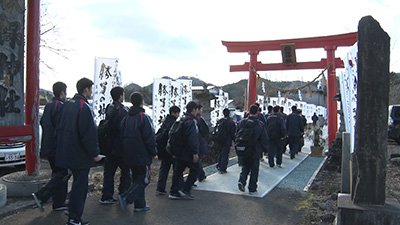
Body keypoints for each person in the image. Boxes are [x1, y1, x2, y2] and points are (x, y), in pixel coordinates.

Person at [56, 78, 103, 225]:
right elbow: (88, 134)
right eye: (91, 89)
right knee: (80, 187)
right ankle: (74, 219)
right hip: (79, 154)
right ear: (86, 90)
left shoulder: (67, 105)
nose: (92, 92)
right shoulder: (84, 107)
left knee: (72, 182)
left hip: (65, 151)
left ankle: (71, 210)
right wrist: (95, 154)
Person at [32, 82, 69, 212]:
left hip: (47, 146)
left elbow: (43, 123)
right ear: (62, 93)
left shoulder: (48, 106)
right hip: (57, 147)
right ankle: (42, 195)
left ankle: (59, 202)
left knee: (57, 173)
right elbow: (62, 128)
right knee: (63, 173)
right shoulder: (61, 107)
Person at [118, 92, 157, 212]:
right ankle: (126, 197)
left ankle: (139, 205)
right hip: (142, 154)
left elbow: (121, 136)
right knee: (144, 179)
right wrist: (154, 152)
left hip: (129, 154)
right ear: (142, 102)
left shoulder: (126, 118)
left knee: (136, 178)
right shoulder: (143, 117)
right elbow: (149, 137)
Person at [100, 86, 131, 204]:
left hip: (109, 145)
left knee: (109, 172)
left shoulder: (110, 107)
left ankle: (106, 196)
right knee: (126, 171)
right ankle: (123, 193)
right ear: (120, 96)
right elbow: (124, 129)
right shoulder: (122, 111)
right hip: (120, 146)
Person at [168, 101, 200, 200]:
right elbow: (192, 138)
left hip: (178, 150)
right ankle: (185, 189)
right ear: (194, 110)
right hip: (188, 151)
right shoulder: (191, 121)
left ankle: (174, 191)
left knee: (178, 172)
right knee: (196, 170)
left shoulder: (181, 119)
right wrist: (195, 152)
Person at [237, 104, 268, 194]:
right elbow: (264, 138)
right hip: (255, 149)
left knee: (245, 167)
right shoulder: (259, 124)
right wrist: (265, 149)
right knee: (254, 169)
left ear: (249, 111)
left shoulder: (242, 122)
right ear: (257, 112)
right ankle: (252, 188)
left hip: (244, 148)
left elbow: (237, 134)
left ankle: (242, 181)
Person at [156, 105, 180, 195]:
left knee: (164, 168)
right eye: (177, 113)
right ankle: (176, 188)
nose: (178, 115)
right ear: (174, 113)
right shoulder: (174, 123)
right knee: (176, 169)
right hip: (170, 150)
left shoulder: (165, 121)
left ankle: (160, 187)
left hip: (163, 150)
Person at [216, 108, 236, 173]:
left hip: (219, 140)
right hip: (227, 140)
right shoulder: (231, 122)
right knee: (225, 155)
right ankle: (222, 168)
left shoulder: (220, 121)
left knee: (220, 153)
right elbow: (233, 133)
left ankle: (219, 165)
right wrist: (234, 140)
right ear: (229, 113)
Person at [195, 104, 210, 181]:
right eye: (201, 109)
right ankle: (200, 175)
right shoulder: (199, 119)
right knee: (197, 161)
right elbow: (206, 131)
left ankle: (200, 175)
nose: (202, 111)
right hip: (199, 143)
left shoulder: (193, 119)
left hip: (197, 143)